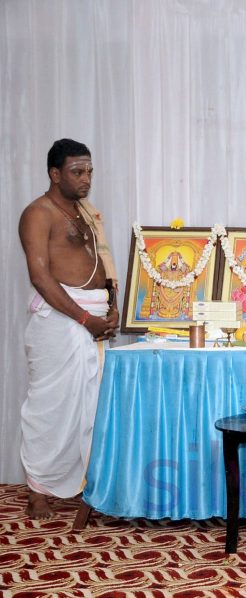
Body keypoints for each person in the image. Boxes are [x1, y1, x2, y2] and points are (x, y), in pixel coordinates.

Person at [18, 139, 119, 520]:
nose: (86, 179)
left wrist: (112, 311)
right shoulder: (38, 213)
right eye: (78, 172)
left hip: (93, 319)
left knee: (90, 407)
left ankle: (84, 483)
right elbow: (40, 277)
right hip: (60, 321)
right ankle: (37, 489)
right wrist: (84, 319)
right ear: (55, 173)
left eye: (90, 171)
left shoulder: (86, 213)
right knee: (50, 405)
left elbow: (104, 265)